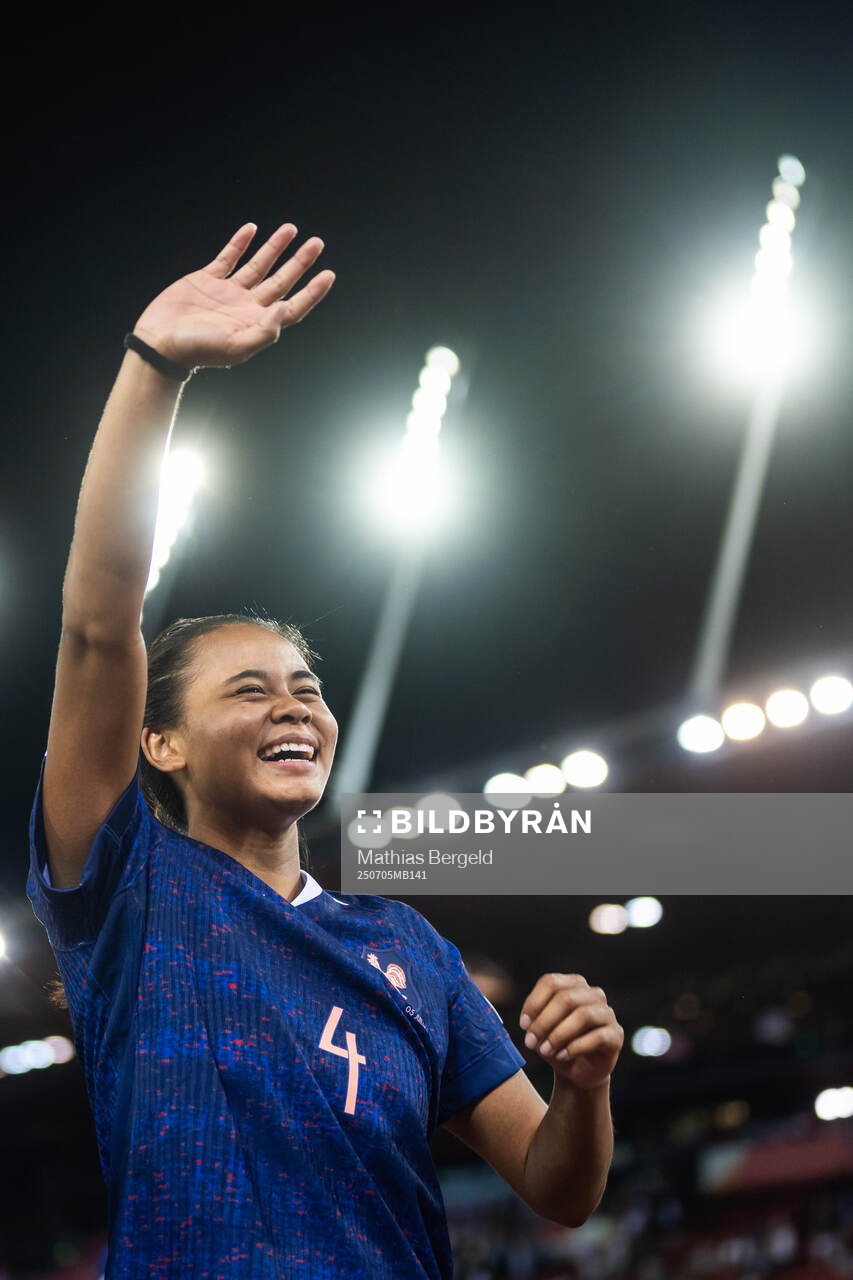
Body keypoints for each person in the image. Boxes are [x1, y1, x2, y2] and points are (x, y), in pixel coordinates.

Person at [26, 220, 625, 1278]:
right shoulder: (130, 892)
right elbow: (98, 625)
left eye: (307, 689)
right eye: (249, 690)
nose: (293, 708)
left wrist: (583, 1085)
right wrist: (155, 368)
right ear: (159, 741)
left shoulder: (410, 947)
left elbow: (556, 1184)